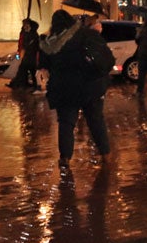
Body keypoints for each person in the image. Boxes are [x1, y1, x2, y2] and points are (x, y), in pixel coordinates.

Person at [40, 11, 115, 170]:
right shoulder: (86, 34)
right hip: (91, 86)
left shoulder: (50, 42)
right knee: (96, 121)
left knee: (66, 123)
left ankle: (65, 158)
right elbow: (106, 56)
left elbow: (44, 65)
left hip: (65, 88)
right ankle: (106, 155)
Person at [7, 18, 40, 90]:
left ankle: (33, 86)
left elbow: (32, 46)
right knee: (23, 70)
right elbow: (22, 44)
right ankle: (20, 84)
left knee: (30, 70)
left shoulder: (33, 34)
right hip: (26, 56)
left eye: (25, 24)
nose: (24, 26)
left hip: (30, 56)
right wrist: (20, 53)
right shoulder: (25, 33)